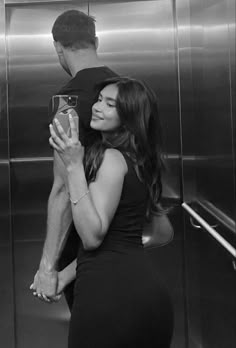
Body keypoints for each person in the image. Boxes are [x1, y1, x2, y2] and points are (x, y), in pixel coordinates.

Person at [47, 76, 174, 347]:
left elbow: (92, 237)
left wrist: (73, 166)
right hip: (148, 297)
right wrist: (62, 277)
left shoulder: (112, 159)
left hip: (110, 300)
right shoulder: (141, 162)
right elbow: (162, 233)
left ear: (129, 116)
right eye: (99, 99)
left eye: (110, 104)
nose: (96, 106)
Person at [30, 9, 118, 310]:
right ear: (96, 41)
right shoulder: (133, 91)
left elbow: (64, 189)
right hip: (129, 244)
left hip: (87, 253)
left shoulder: (66, 103)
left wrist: (47, 267)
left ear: (58, 48)